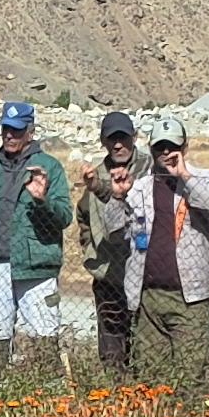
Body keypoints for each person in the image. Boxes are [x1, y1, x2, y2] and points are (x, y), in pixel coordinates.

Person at [92, 114, 209, 389]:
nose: (167, 153)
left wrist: (184, 175)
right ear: (151, 150)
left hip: (189, 298)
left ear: (184, 148)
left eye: (172, 147)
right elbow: (115, 231)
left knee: (191, 376)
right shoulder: (139, 188)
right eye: (160, 147)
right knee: (152, 380)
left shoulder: (202, 179)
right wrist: (117, 196)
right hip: (148, 298)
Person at [0, 101, 71, 378]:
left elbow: (64, 216)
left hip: (35, 269)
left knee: (45, 339)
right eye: (6, 129)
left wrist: (42, 201)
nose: (10, 135)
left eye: (17, 131)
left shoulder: (48, 168)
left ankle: (51, 400)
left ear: (30, 132)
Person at [74, 112, 142, 372]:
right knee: (112, 351)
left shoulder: (147, 168)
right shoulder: (96, 175)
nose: (118, 145)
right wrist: (89, 245)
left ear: (133, 137)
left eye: (123, 138)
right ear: (103, 141)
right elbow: (82, 214)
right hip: (108, 275)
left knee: (142, 346)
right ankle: (113, 401)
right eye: (111, 139)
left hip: (144, 273)